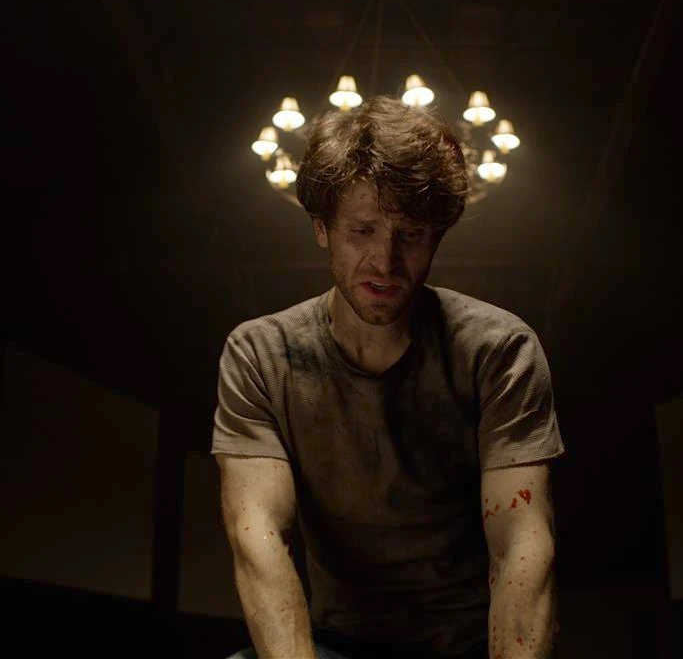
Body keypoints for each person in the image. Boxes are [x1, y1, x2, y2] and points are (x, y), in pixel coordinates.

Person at [212, 95, 566, 659]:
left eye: (412, 235)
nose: (385, 261)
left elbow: (521, 543)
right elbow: (258, 539)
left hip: (470, 644)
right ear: (322, 228)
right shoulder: (260, 355)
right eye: (363, 230)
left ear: (437, 237)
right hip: (333, 645)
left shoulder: (500, 350)